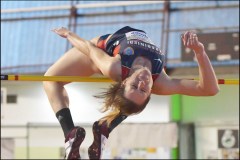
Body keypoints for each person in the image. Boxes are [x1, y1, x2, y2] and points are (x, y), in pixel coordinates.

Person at [43, 26, 219, 159]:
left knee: (50, 79)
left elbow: (89, 49)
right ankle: (105, 127)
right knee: (131, 102)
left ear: (125, 81)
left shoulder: (114, 67)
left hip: (100, 52)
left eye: (135, 86)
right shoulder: (161, 83)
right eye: (143, 88)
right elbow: (210, 89)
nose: (142, 81)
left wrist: (68, 34)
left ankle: (70, 134)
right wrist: (200, 52)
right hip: (111, 57)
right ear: (151, 91)